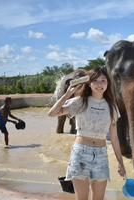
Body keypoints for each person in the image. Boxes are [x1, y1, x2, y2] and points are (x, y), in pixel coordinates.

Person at [48, 67, 126, 200]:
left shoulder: (112, 107)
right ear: (89, 83)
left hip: (101, 155)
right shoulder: (80, 102)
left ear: (108, 83)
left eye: (103, 81)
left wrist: (120, 162)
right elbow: (52, 113)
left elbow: (114, 138)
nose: (99, 84)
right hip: (81, 154)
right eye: (95, 81)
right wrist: (67, 94)